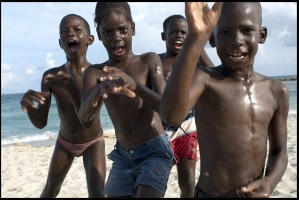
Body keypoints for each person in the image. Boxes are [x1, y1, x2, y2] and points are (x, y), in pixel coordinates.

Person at [160, 2, 289, 198]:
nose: (236, 40)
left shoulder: (277, 91)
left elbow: (280, 152)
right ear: (212, 39)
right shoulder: (205, 81)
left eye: (246, 30)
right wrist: (195, 38)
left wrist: (269, 183)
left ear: (261, 35)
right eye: (225, 32)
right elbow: (171, 116)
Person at [79, 2, 173, 198]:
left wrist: (136, 86)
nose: (116, 38)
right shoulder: (95, 73)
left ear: (133, 28)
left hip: (154, 149)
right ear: (98, 33)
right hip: (123, 157)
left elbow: (168, 110)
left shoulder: (148, 61)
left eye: (122, 30)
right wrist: (98, 91)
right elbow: (84, 117)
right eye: (108, 32)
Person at [20, 14, 106, 198]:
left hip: (93, 142)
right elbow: (41, 123)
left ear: (90, 39)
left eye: (76, 30)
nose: (70, 33)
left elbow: (87, 119)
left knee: (97, 194)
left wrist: (71, 85)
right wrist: (29, 107)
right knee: (50, 191)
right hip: (65, 142)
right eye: (64, 31)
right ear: (60, 43)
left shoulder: (98, 74)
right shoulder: (51, 77)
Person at [159, 14, 214, 198]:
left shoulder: (194, 62)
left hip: (188, 128)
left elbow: (216, 77)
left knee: (187, 182)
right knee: (157, 181)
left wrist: (197, 47)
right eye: (173, 32)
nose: (178, 36)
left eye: (184, 32)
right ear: (163, 36)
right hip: (161, 131)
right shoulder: (156, 62)